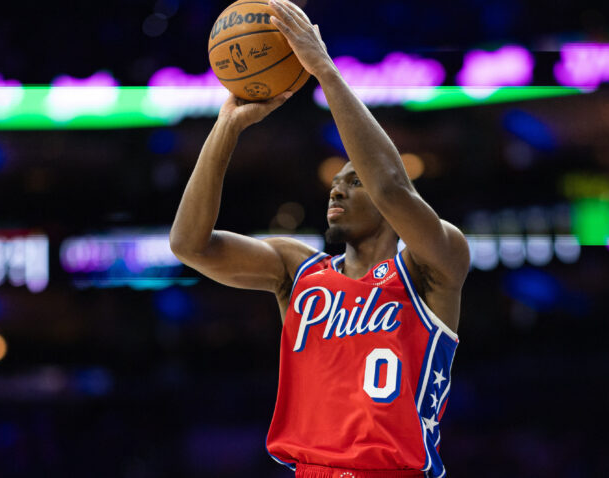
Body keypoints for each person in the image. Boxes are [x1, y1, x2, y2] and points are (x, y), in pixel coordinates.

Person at [170, 1, 470, 476]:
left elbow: (391, 185)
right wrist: (227, 127)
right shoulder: (298, 270)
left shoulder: (433, 265)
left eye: (354, 180)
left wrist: (324, 71)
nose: (338, 185)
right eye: (336, 180)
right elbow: (189, 245)